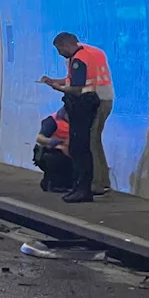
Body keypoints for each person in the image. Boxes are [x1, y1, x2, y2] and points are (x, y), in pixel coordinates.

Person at [41, 31, 113, 202]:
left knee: (88, 142)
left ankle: (93, 184)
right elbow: (74, 79)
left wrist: (58, 88)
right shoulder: (91, 52)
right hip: (102, 98)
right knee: (94, 140)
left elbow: (77, 85)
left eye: (59, 49)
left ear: (65, 45)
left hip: (93, 101)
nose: (59, 54)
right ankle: (102, 181)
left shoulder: (79, 58)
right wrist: (55, 81)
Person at [34, 106, 74, 193]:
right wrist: (55, 142)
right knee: (55, 158)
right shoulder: (52, 121)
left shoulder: (77, 123)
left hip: (70, 152)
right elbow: (39, 138)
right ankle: (52, 183)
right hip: (52, 151)